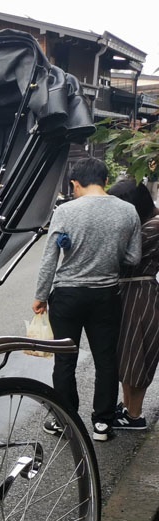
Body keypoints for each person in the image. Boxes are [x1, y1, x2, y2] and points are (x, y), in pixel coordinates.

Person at [33, 158, 140, 442]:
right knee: (107, 360)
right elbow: (133, 257)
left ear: (75, 183)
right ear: (104, 180)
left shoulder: (66, 210)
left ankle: (66, 421)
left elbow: (49, 258)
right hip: (106, 295)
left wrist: (40, 296)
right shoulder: (128, 211)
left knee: (64, 360)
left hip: (67, 296)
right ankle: (103, 423)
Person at [109, 178, 159, 430]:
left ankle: (135, 415)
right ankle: (128, 408)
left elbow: (122, 255)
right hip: (130, 292)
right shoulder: (147, 221)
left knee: (138, 354)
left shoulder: (155, 225)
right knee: (128, 354)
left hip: (140, 294)